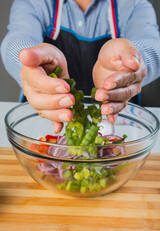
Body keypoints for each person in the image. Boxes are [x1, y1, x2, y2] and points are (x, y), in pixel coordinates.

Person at [1, 0, 160, 133]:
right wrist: (30, 61)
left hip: (121, 128)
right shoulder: (34, 2)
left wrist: (132, 61)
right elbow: (16, 38)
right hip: (41, 127)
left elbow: (153, 45)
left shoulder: (135, 5)